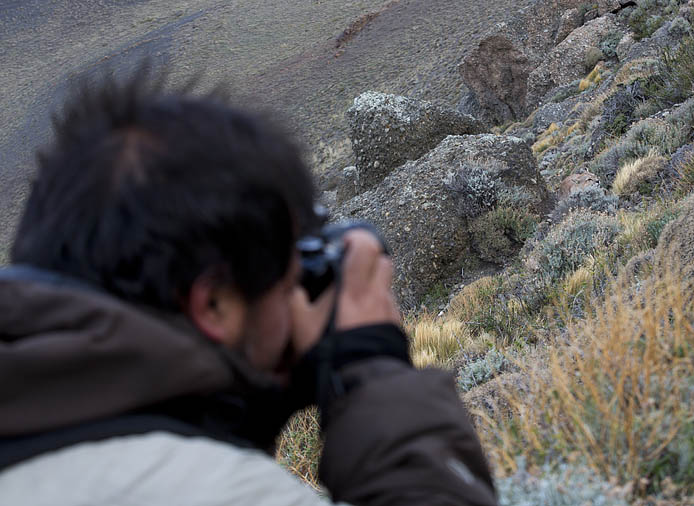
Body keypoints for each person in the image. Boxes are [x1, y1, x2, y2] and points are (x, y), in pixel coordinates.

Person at [0, 73, 497, 505]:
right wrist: (370, 368)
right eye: (287, 286)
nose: (300, 305)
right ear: (214, 304)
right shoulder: (210, 491)